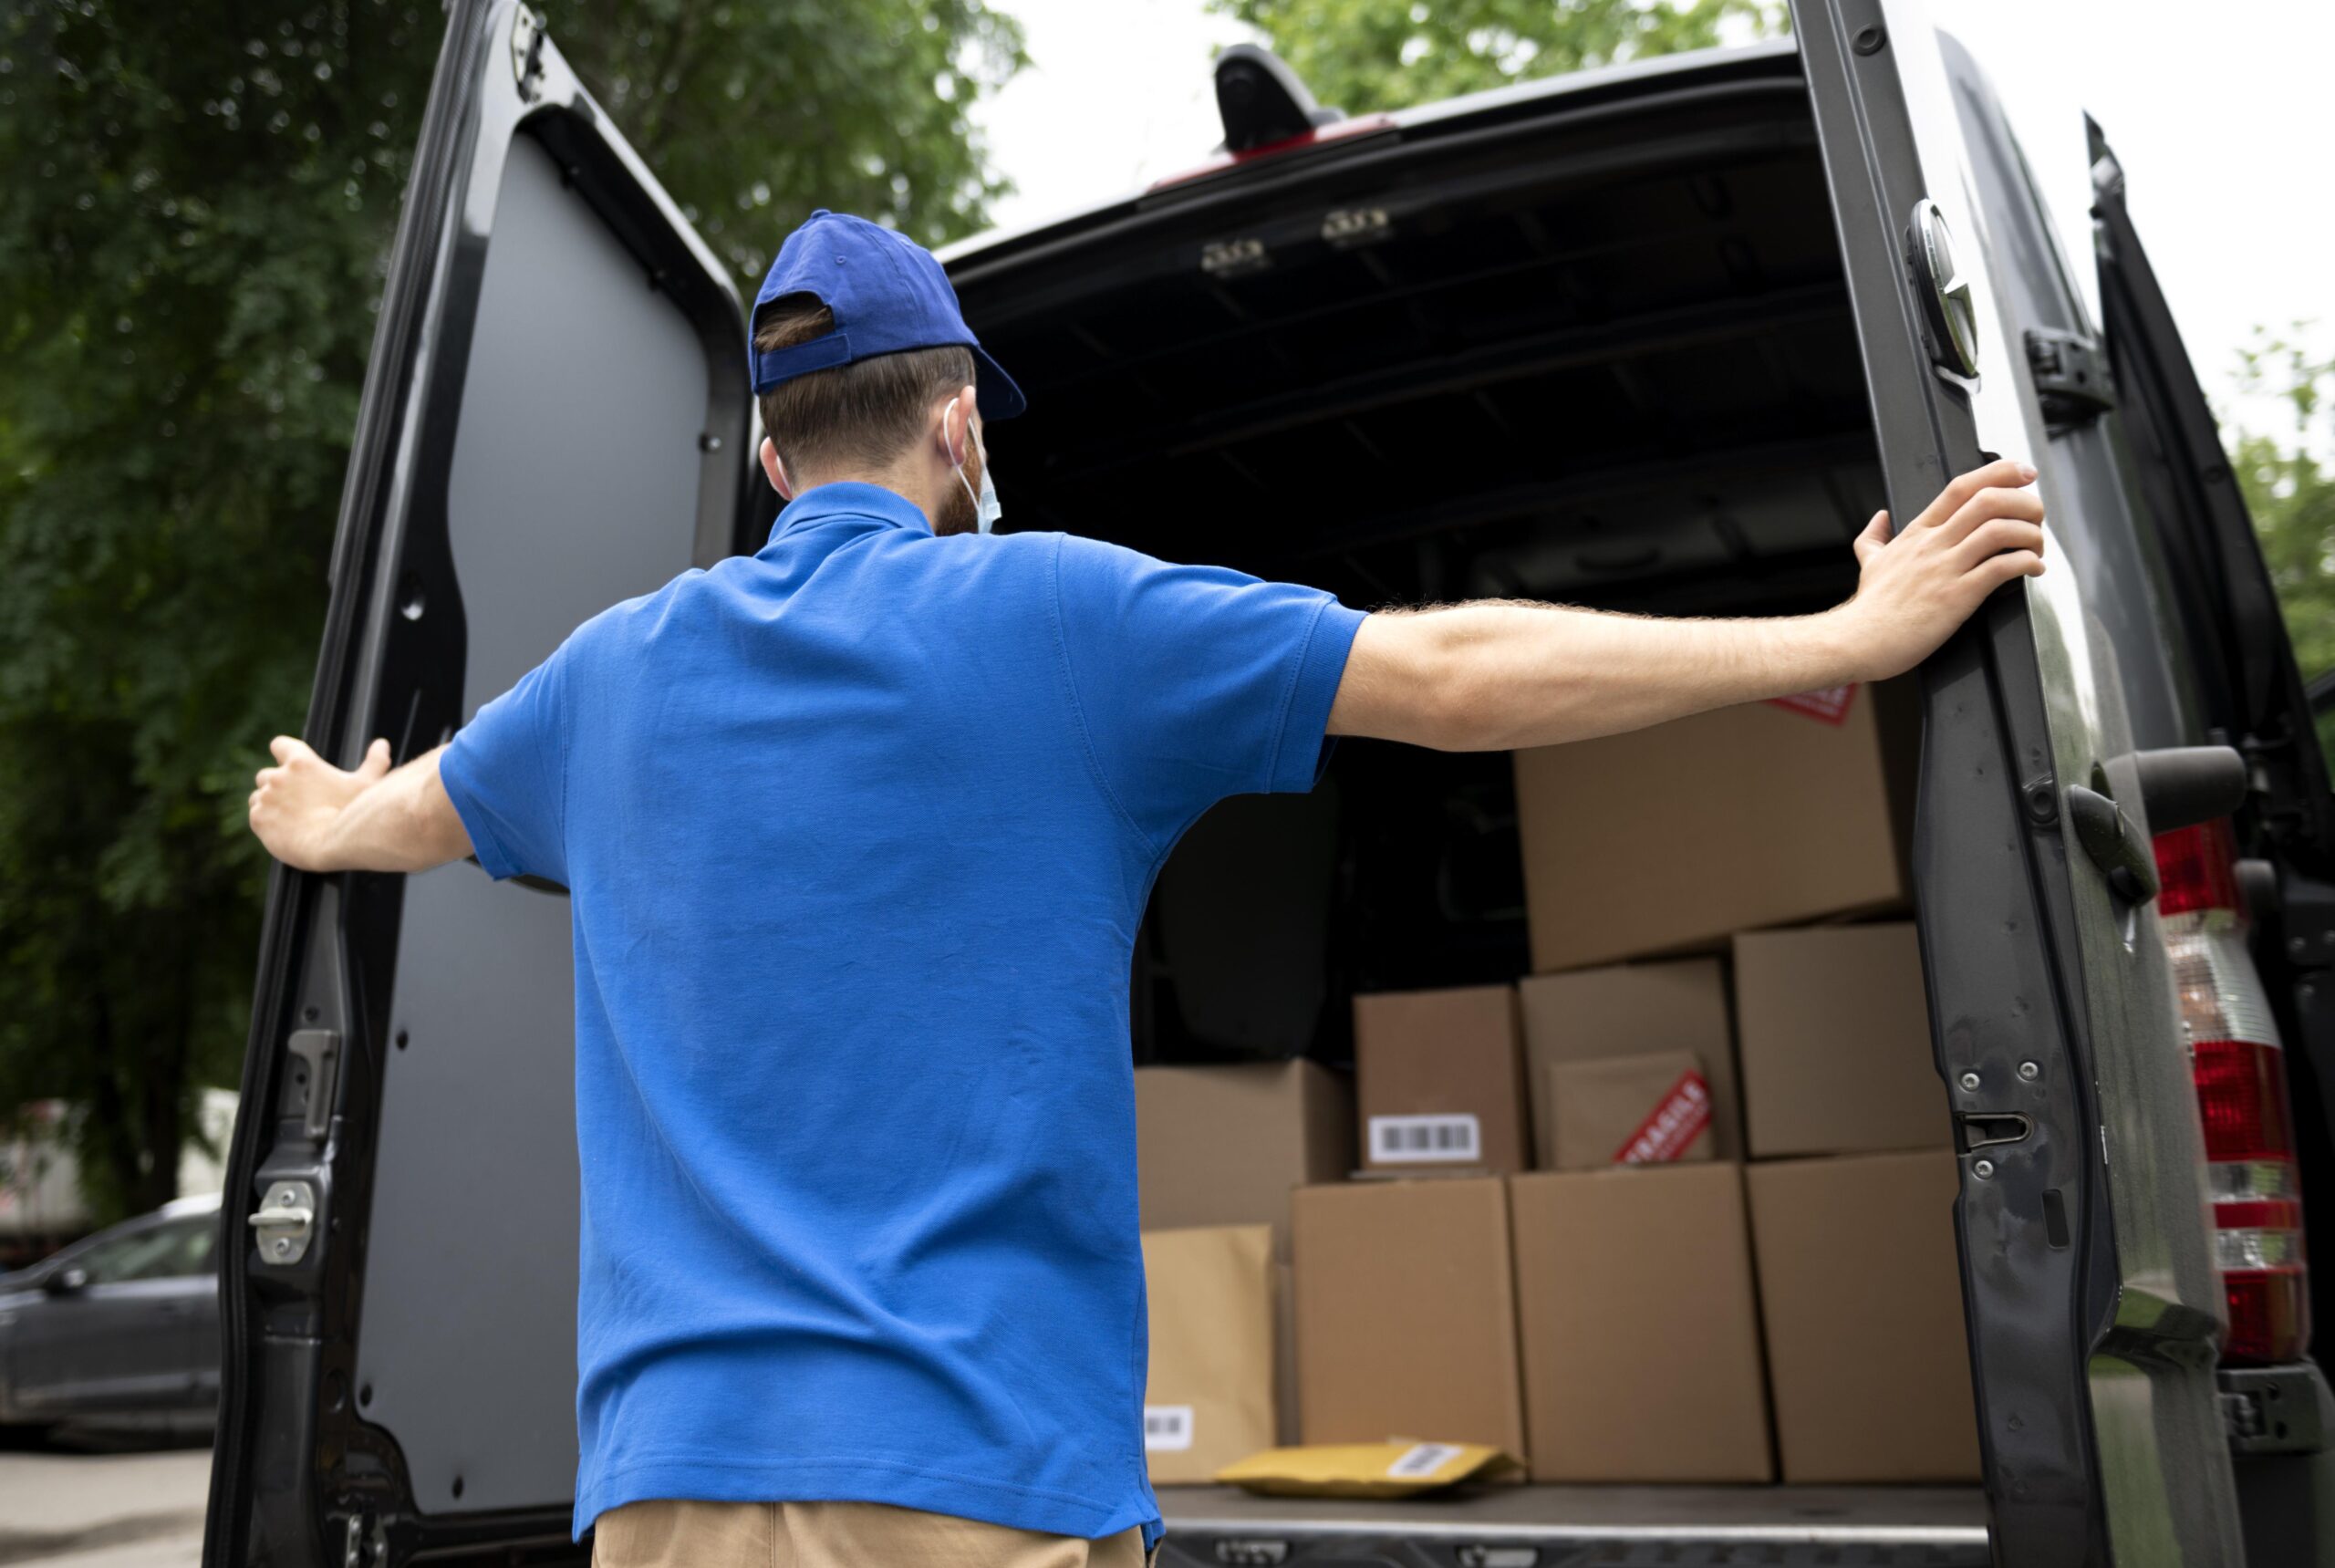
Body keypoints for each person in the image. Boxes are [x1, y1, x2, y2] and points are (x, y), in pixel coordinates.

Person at [247, 210, 2045, 1568]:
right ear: (957, 423)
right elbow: (1454, 672)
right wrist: (1840, 632)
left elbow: (411, 814)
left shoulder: (605, 678)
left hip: (661, 1488)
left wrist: (327, 813)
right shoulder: (1053, 614)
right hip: (973, 1476)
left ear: (774, 454)